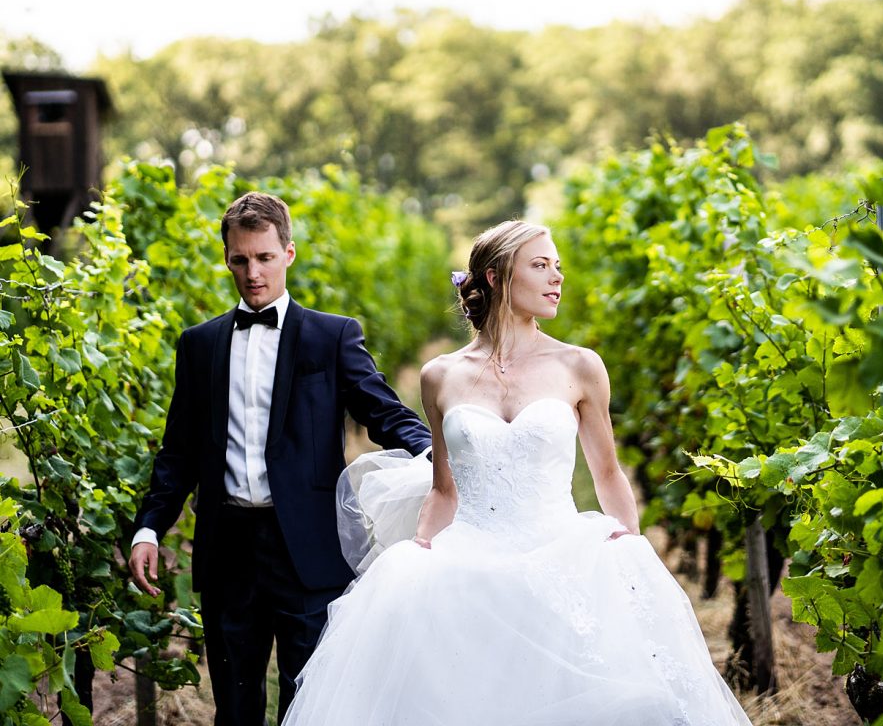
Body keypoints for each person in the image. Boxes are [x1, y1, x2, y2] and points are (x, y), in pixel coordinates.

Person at [282, 219, 753, 726]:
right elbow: (444, 489)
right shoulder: (440, 375)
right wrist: (419, 551)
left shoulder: (580, 366)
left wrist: (631, 550)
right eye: (540, 265)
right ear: (496, 276)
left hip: (562, 552)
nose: (557, 277)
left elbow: (609, 473)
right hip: (470, 557)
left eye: (558, 266)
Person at [128, 192, 431, 726]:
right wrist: (149, 528)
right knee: (235, 708)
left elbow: (383, 412)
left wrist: (435, 453)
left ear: (288, 253)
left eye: (264, 257)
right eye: (240, 259)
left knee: (312, 706)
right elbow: (178, 451)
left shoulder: (332, 335)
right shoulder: (198, 345)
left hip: (309, 552)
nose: (252, 272)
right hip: (228, 553)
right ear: (227, 258)